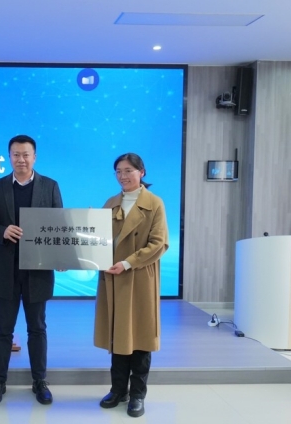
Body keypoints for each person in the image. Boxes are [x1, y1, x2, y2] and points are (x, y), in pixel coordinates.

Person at [0, 134, 63, 406]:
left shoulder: (50, 186)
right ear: (9, 157)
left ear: (34, 157)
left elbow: (58, 226)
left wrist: (60, 256)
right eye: (16, 154)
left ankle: (39, 381)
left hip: (37, 270)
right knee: (3, 329)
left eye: (26, 154)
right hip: (6, 270)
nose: (21, 159)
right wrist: (2, 231)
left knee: (37, 328)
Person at [94, 153, 169, 418]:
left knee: (140, 337)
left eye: (128, 170)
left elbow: (159, 243)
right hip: (112, 279)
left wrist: (127, 263)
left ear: (142, 172)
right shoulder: (110, 203)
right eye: (118, 171)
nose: (123, 176)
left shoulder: (154, 203)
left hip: (138, 277)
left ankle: (137, 394)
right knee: (118, 337)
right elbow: (95, 239)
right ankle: (118, 390)